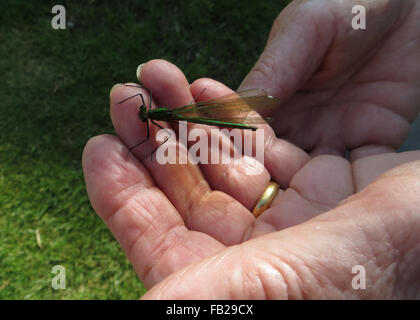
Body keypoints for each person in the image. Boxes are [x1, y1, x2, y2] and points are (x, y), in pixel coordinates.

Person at [82, 0, 420, 299]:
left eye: (144, 112)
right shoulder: (154, 114)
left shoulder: (157, 115)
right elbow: (142, 108)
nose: (144, 112)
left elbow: (145, 126)